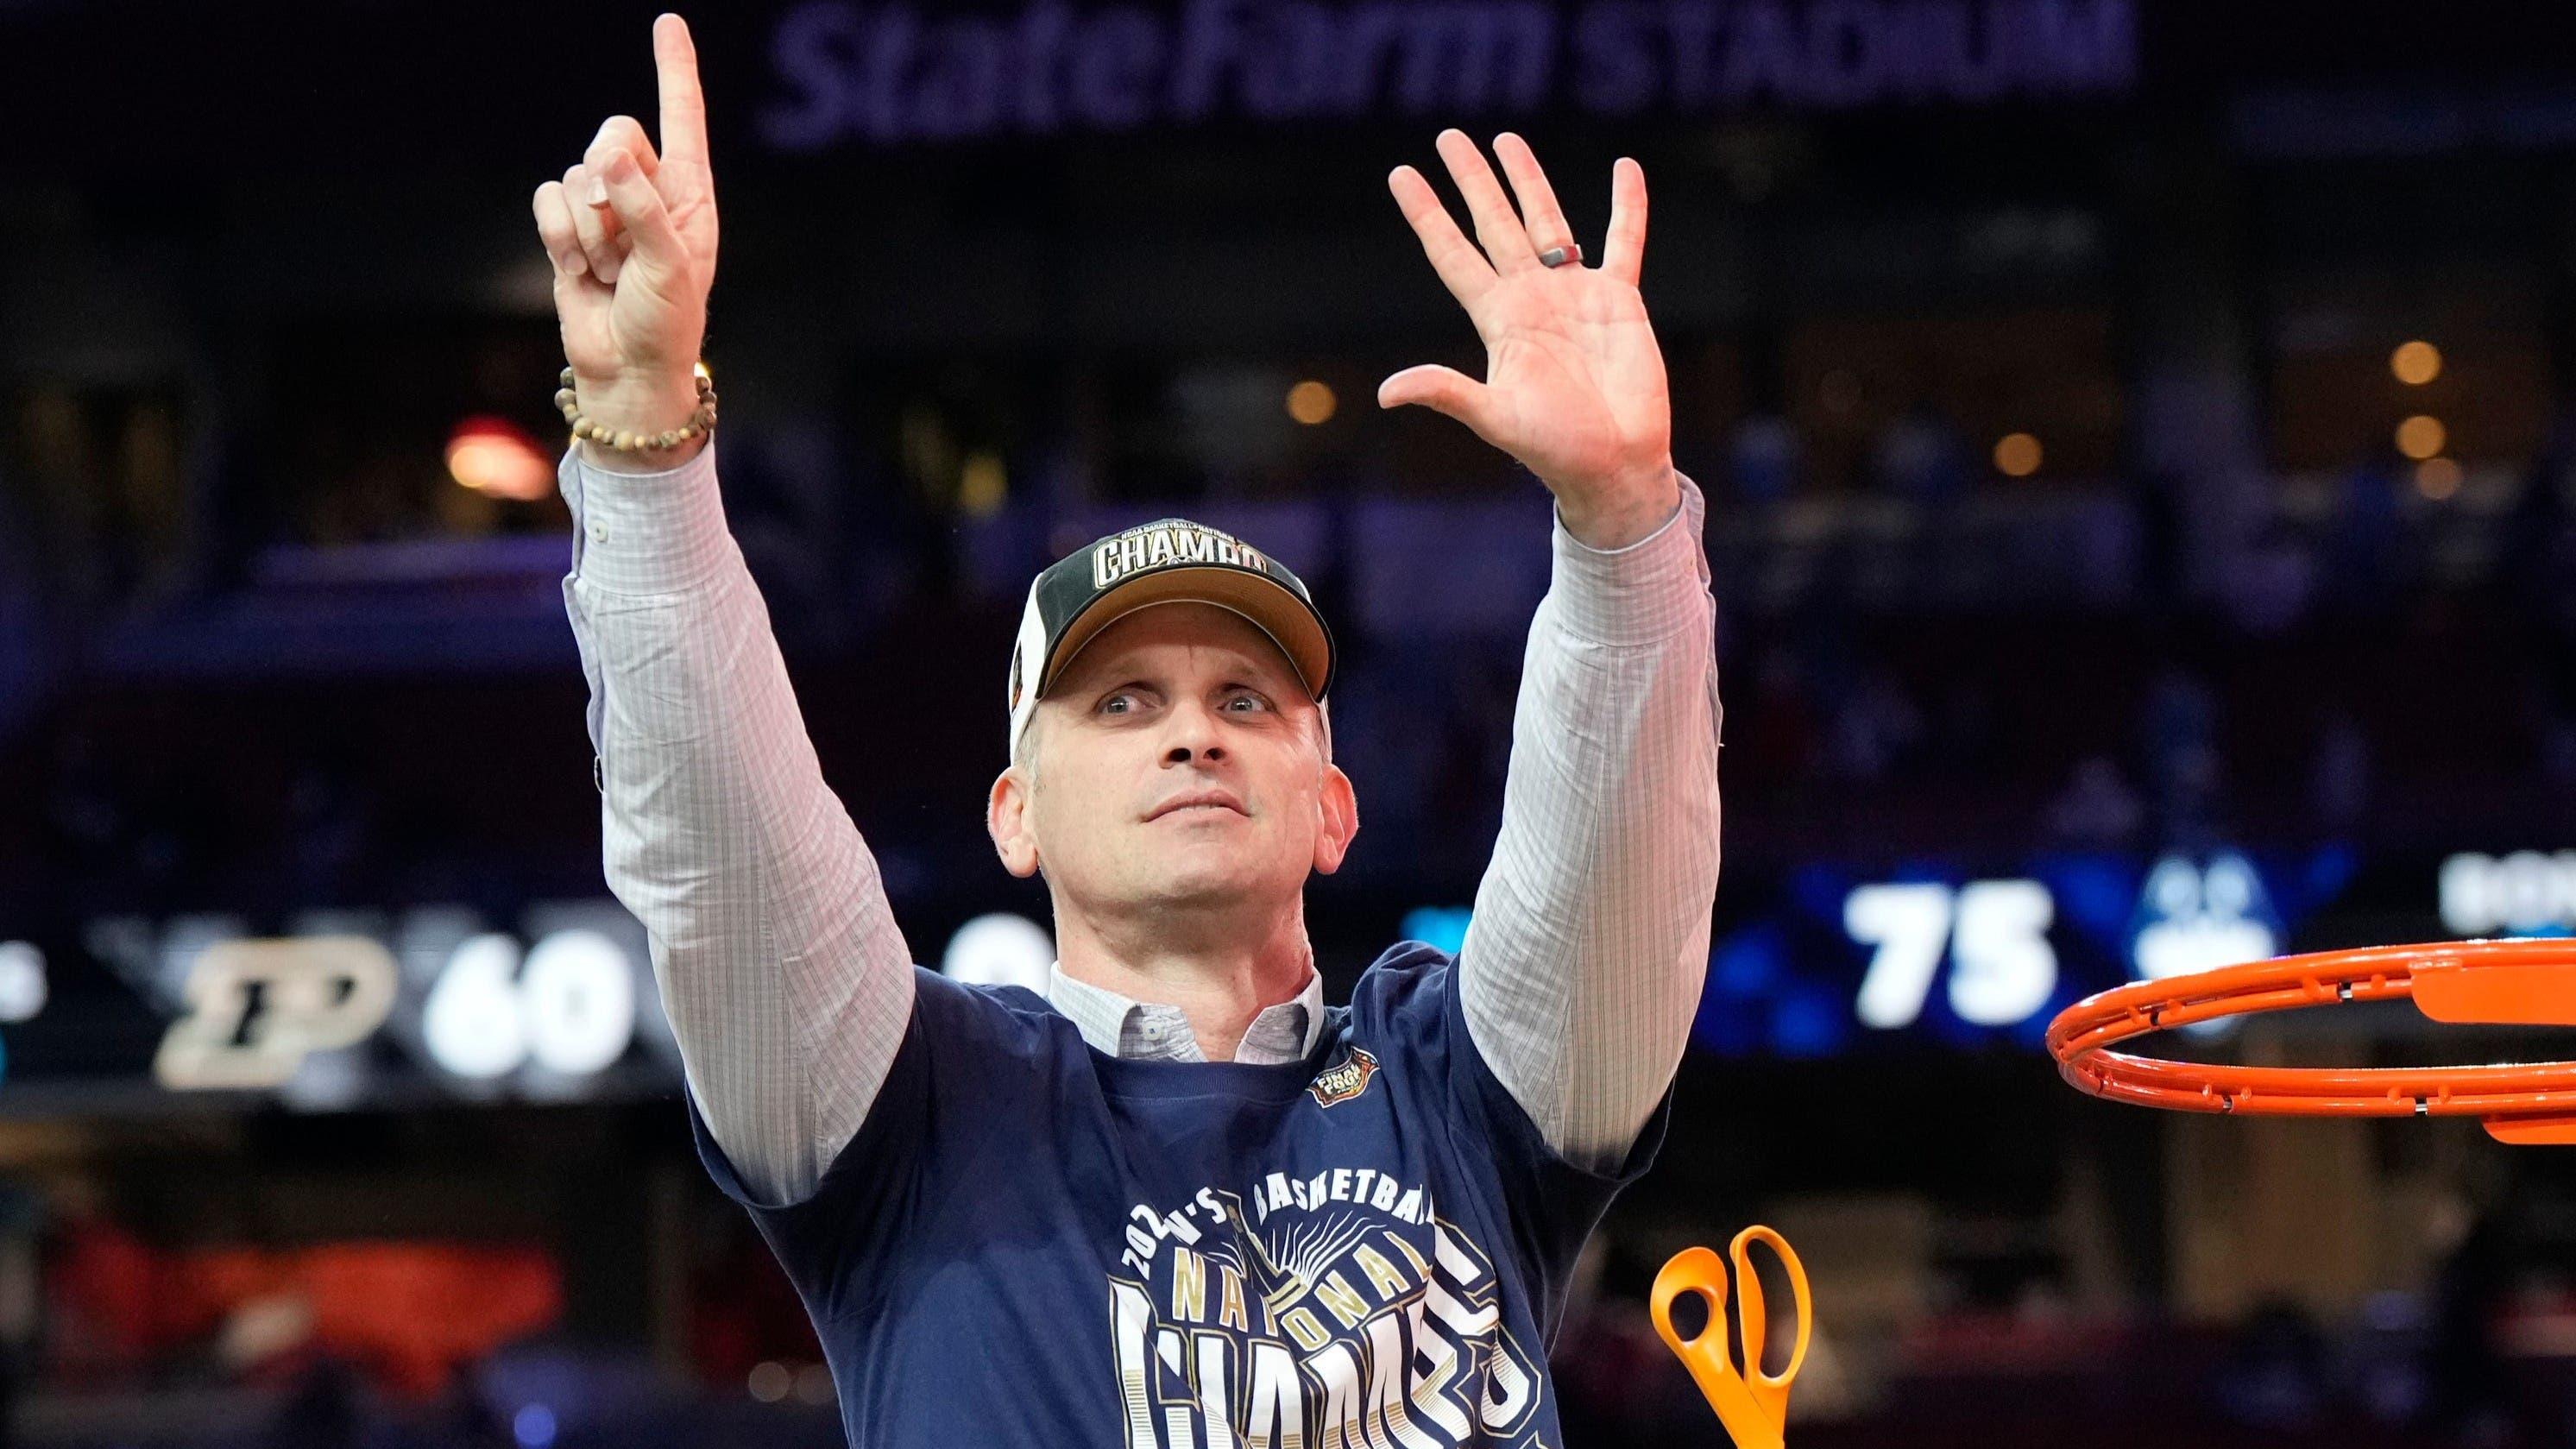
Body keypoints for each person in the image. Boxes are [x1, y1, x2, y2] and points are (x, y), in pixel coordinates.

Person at [532, 16, 1722, 1445]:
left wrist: (1621, 523)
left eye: (1244, 703)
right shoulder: (908, 1098)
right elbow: (725, 848)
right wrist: (640, 427)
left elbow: (1616, 863)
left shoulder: (1458, 1084)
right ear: (1012, 813)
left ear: (1334, 807)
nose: (1192, 738)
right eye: (1121, 704)